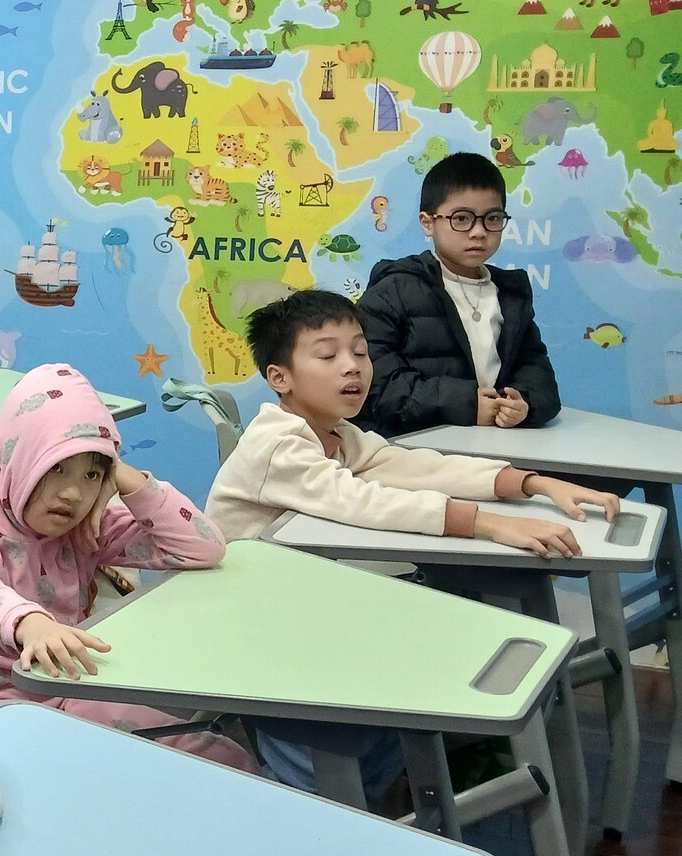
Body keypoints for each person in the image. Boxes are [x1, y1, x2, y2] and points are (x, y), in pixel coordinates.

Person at [206, 289, 618, 792]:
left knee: (395, 699)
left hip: (301, 606)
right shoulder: (278, 444)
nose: (352, 366)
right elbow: (361, 500)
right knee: (319, 767)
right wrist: (491, 524)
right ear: (280, 378)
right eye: (327, 355)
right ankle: (308, 801)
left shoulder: (338, 432)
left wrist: (531, 483)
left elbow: (410, 465)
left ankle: (379, 786)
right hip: (256, 628)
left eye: (360, 351)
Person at [0, 363, 251, 769]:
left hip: (55, 688)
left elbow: (203, 548)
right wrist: (30, 623)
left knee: (213, 756)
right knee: (127, 770)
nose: (72, 493)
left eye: (91, 475)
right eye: (55, 468)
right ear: (15, 457)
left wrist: (125, 476)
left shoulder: (79, 524)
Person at [357, 152, 561, 435]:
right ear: (428, 223)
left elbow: (536, 371)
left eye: (493, 218)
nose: (479, 232)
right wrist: (467, 404)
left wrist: (525, 403)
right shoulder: (392, 291)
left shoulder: (510, 294)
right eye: (461, 218)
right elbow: (377, 383)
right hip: (414, 446)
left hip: (492, 442)